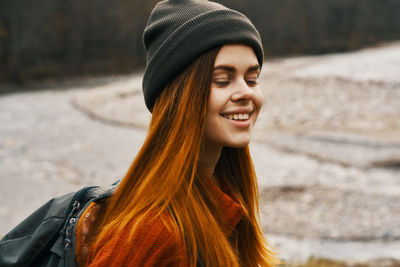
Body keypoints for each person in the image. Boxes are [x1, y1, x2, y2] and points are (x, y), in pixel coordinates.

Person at [75, 0, 277, 266]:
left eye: (251, 79)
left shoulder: (226, 198)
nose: (246, 92)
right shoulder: (151, 230)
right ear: (180, 95)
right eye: (222, 80)